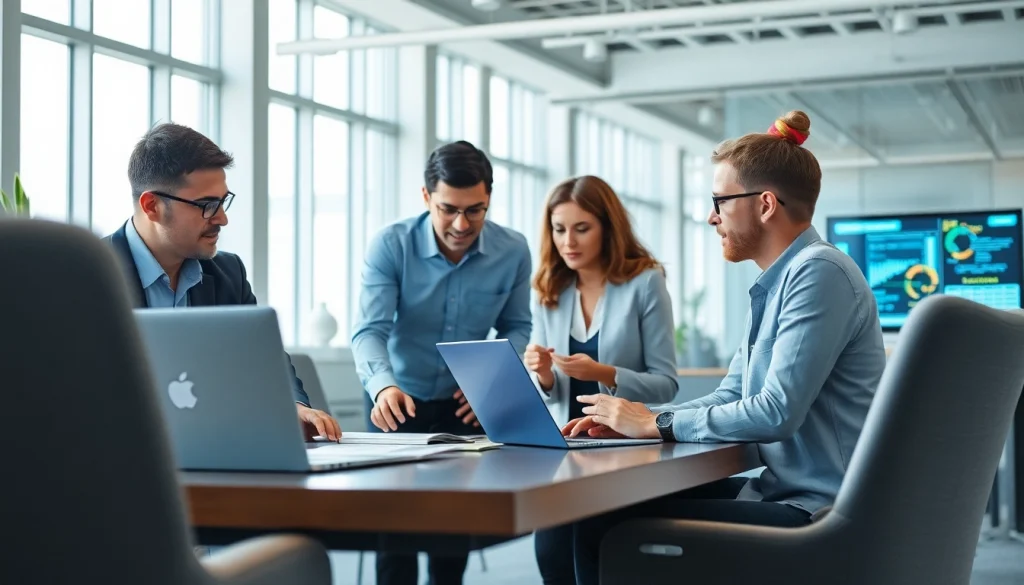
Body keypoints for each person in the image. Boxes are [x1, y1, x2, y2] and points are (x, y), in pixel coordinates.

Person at [563, 111, 887, 585]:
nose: (711, 216)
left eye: (720, 200)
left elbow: (776, 412)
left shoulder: (820, 273)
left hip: (819, 512)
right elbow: (730, 396)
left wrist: (657, 422)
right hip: (782, 493)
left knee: (606, 527)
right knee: (598, 509)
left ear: (766, 204)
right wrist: (637, 420)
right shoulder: (775, 284)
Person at [351, 140, 532, 585]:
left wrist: (491, 384)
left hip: (465, 403)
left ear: (489, 198)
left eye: (475, 210)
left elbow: (519, 326)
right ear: (426, 196)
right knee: (397, 539)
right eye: (448, 208)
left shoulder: (513, 250)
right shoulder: (391, 245)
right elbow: (368, 330)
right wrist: (382, 386)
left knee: (451, 540)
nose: (460, 223)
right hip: (397, 400)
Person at [104, 122, 341, 442]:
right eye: (206, 206)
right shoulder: (88, 276)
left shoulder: (228, 273)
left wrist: (293, 406)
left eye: (222, 201)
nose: (222, 218)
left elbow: (264, 359)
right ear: (152, 206)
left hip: (214, 450)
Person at [524, 175, 679, 585]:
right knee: (552, 557)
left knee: (597, 559)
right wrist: (542, 377)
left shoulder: (645, 283)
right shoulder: (547, 290)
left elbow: (665, 384)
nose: (568, 242)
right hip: (561, 449)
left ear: (607, 227)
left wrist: (605, 374)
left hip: (619, 451)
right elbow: (550, 395)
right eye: (559, 230)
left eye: (581, 228)